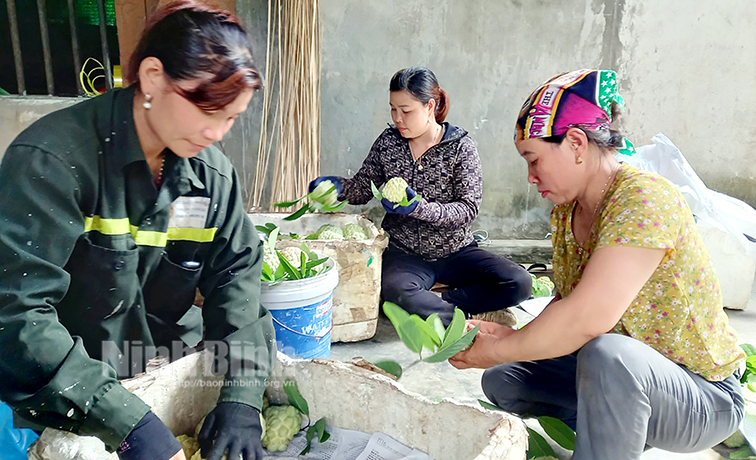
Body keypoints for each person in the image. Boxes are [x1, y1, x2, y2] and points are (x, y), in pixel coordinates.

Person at [0, 2, 275, 460]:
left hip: (157, 370)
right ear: (152, 78)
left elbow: (236, 279)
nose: (217, 132)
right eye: (206, 108)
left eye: (231, 117)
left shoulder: (210, 179)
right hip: (63, 392)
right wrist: (129, 425)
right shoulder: (52, 164)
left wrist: (241, 400)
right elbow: (17, 315)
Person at [449, 69, 745, 459]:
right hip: (628, 375)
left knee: (606, 354)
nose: (530, 177)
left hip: (703, 396)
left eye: (534, 159)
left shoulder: (643, 197)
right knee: (506, 380)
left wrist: (503, 347)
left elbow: (588, 318)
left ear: (575, 143)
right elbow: (566, 301)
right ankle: (620, 429)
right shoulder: (566, 212)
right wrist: (507, 341)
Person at [309, 67, 531, 326]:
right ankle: (469, 316)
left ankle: (436, 306)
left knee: (519, 283)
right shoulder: (389, 143)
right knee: (395, 293)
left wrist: (418, 207)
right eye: (393, 109)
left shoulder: (460, 147)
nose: (397, 118)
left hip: (455, 251)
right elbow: (363, 186)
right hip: (404, 253)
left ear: (430, 106)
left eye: (406, 110)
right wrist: (338, 187)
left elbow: (468, 209)